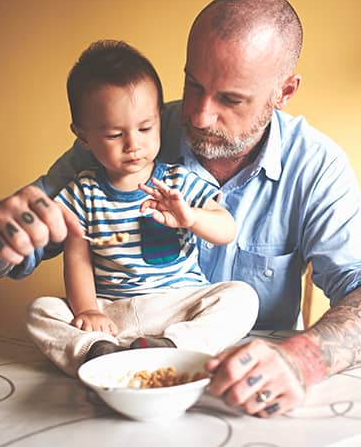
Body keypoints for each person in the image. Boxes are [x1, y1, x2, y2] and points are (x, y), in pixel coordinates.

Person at [0, 0, 361, 418]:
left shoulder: (313, 164)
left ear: (284, 92)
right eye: (193, 85)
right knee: (43, 310)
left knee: (240, 298)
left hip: (235, 390)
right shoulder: (125, 128)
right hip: (115, 376)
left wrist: (304, 360)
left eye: (230, 99)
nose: (197, 115)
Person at [26, 40, 259, 376]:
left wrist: (190, 217)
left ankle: (175, 347)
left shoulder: (177, 182)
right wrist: (89, 310)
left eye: (145, 128)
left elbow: (227, 229)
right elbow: (76, 256)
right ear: (83, 136)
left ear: (161, 118)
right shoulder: (82, 193)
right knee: (42, 310)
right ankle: (93, 352)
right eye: (114, 134)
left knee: (242, 297)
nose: (133, 145)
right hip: (112, 313)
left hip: (177, 306)